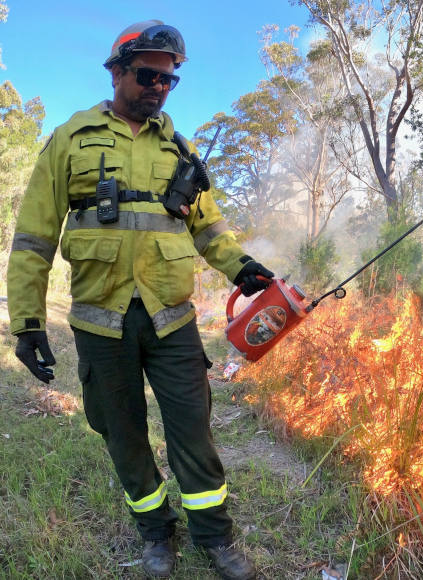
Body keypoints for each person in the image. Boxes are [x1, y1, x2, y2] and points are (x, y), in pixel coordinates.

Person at [7, 20, 273, 580]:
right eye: (149, 74)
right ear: (118, 71)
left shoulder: (183, 150)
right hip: (100, 324)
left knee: (192, 431)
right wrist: (27, 323)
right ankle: (156, 533)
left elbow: (210, 231)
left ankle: (215, 538)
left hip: (171, 318)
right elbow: (33, 237)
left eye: (169, 80)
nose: (159, 86)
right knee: (123, 434)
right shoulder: (70, 139)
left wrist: (241, 267)